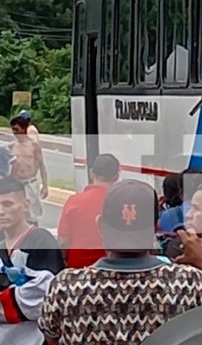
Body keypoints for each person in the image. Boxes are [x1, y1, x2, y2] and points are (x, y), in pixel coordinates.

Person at [38, 179, 202, 345]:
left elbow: (51, 337)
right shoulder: (192, 284)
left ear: (100, 225)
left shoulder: (65, 287)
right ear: (155, 227)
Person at [0, 176, 64, 345]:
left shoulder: (42, 242)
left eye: (8, 204)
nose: (1, 211)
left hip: (35, 339)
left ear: (26, 205)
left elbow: (41, 296)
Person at [57, 154, 120, 268]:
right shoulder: (121, 203)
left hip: (78, 266)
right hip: (112, 267)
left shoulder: (74, 202)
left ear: (92, 173)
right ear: (116, 176)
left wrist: (63, 262)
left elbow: (64, 242)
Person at [8, 116, 48, 226]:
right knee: (18, 212)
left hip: (31, 183)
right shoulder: (12, 146)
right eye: (13, 129)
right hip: (17, 184)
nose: (14, 132)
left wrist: (45, 186)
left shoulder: (34, 145)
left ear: (24, 128)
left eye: (16, 129)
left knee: (32, 214)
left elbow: (41, 165)